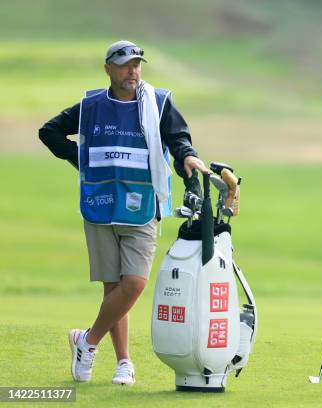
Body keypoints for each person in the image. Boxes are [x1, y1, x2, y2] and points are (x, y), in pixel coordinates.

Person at [39, 40, 210, 386]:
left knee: (133, 283)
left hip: (142, 204)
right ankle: (124, 363)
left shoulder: (158, 103)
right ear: (108, 69)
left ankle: (86, 341)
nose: (132, 71)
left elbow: (178, 140)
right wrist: (81, 159)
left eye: (137, 64)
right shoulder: (91, 106)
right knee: (113, 288)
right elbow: (49, 131)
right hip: (101, 203)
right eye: (125, 65)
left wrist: (188, 156)